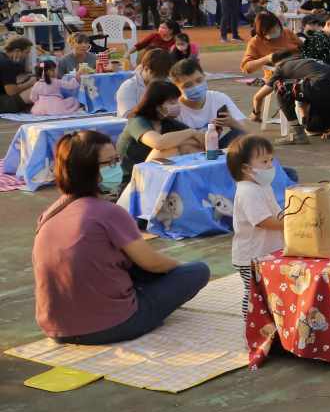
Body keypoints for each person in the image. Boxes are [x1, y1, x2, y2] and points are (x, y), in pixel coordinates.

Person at [33, 130, 210, 344]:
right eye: (110, 163)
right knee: (197, 271)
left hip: (56, 328)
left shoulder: (50, 213)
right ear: (87, 170)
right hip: (113, 325)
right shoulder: (109, 212)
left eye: (117, 160)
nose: (117, 167)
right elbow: (153, 264)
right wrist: (179, 267)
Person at [227, 134, 282, 314]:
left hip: (265, 252)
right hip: (251, 257)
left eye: (271, 160)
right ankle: (249, 325)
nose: (270, 166)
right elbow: (263, 221)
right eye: (264, 162)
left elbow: (275, 211)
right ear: (246, 168)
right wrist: (289, 224)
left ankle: (265, 324)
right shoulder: (248, 191)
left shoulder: (262, 185)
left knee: (268, 292)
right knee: (253, 295)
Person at [116, 80, 207, 186]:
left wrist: (204, 136)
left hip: (155, 176)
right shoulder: (137, 122)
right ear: (157, 105)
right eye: (172, 103)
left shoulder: (168, 123)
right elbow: (159, 143)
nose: (178, 106)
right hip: (131, 180)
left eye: (177, 101)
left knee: (189, 144)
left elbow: (203, 143)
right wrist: (191, 132)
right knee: (170, 148)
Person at [170, 59, 248, 144]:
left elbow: (247, 129)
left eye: (199, 80)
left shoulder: (218, 98)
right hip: (188, 150)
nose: (196, 87)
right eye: (188, 85)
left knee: (242, 135)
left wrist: (231, 122)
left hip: (216, 148)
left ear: (204, 76)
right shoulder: (174, 108)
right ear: (176, 87)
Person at [116, 47, 175, 117]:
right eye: (157, 75)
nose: (161, 80)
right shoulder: (128, 87)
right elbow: (129, 116)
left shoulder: (168, 82)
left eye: (165, 76)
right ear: (146, 69)